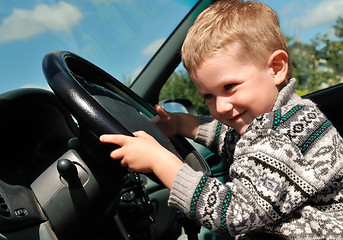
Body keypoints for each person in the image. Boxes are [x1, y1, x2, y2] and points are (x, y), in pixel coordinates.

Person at [100, 0, 343, 239]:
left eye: (229, 86)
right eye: (208, 96)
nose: (221, 107)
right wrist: (180, 124)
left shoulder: (286, 137)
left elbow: (233, 215)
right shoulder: (284, 118)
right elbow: (233, 140)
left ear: (276, 68)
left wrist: (159, 161)